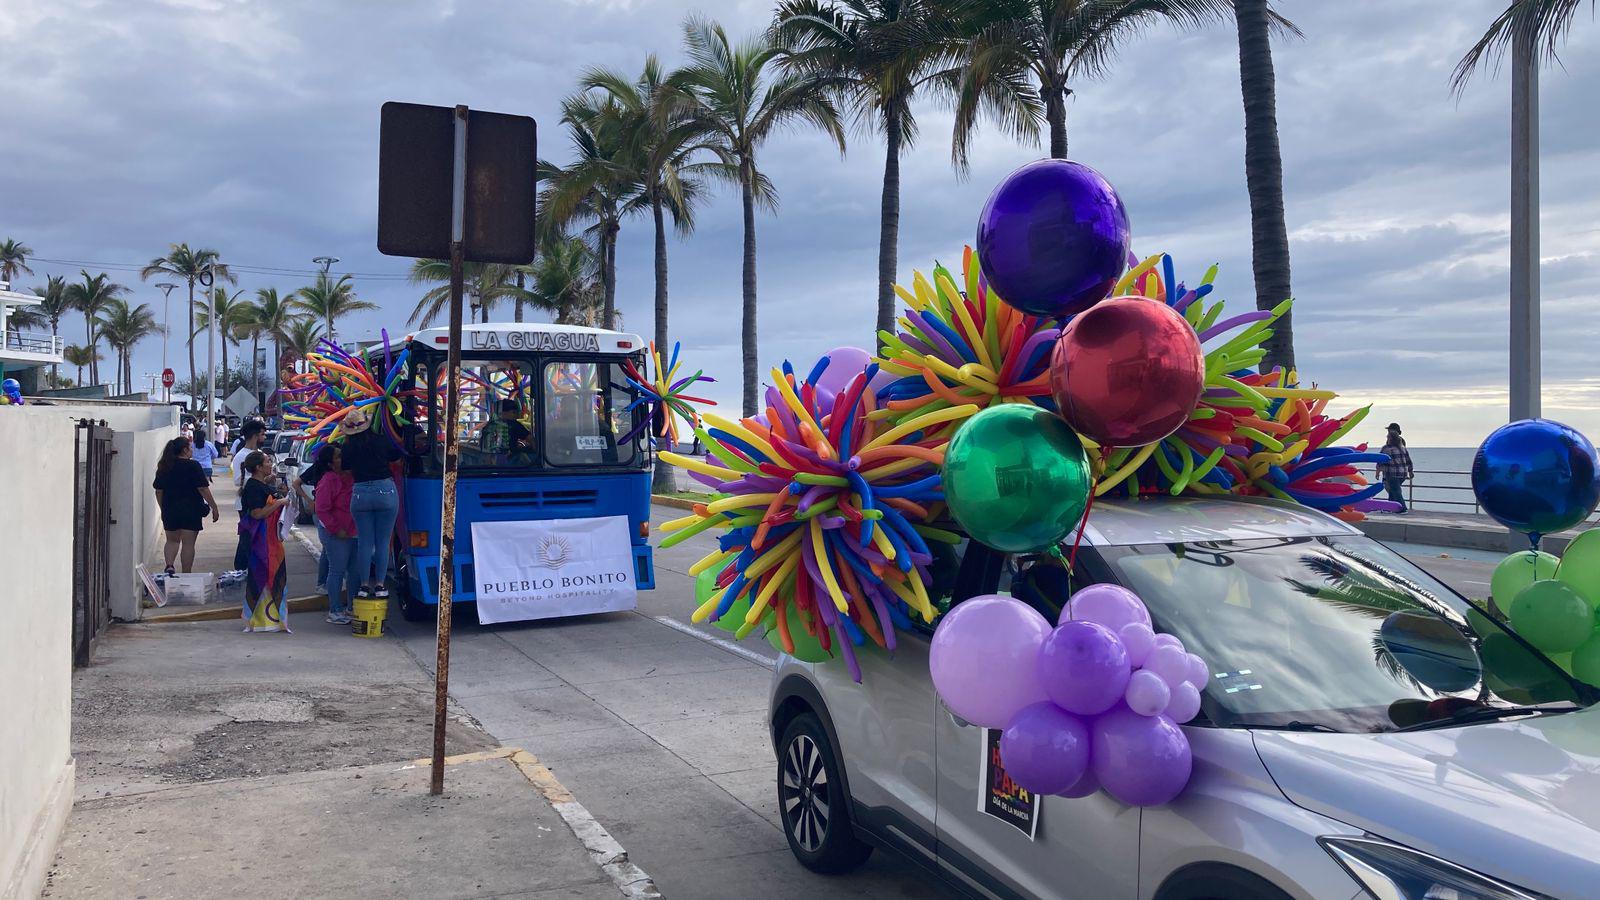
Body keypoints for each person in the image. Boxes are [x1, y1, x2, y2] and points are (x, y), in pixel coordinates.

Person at [340, 407, 401, 600]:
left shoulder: (348, 447)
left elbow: (345, 469)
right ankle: (381, 585)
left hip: (360, 493)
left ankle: (364, 586)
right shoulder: (380, 440)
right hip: (385, 490)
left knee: (364, 542)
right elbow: (396, 456)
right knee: (383, 542)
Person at [239, 450, 292, 633]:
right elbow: (257, 514)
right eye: (268, 461)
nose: (271, 464)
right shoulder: (253, 487)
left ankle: (274, 619)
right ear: (259, 467)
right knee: (262, 574)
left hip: (270, 537)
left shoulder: (260, 484)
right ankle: (261, 620)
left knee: (274, 574)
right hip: (260, 539)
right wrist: (278, 503)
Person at [152, 437, 220, 575]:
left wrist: (163, 508)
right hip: (191, 509)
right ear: (184, 450)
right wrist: (214, 506)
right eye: (190, 448)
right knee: (188, 544)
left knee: (172, 541)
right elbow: (203, 488)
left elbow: (158, 491)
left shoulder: (165, 466)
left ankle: (169, 566)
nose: (192, 450)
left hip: (170, 509)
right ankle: (186, 573)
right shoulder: (193, 466)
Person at [313, 444, 362, 625]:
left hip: (354, 531)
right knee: (337, 571)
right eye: (339, 456)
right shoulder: (328, 481)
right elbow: (321, 509)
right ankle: (335, 610)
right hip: (337, 534)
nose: (343, 458)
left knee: (355, 572)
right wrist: (336, 529)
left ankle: (351, 607)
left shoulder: (351, 477)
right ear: (330, 463)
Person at [293, 446, 332, 595]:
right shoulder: (318, 469)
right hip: (321, 511)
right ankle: (322, 583)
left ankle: (329, 582)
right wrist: (309, 500)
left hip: (328, 511)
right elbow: (296, 483)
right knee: (328, 549)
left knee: (332, 549)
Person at [231, 420, 269, 570]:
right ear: (254, 436)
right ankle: (242, 566)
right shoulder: (241, 456)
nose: (264, 437)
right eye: (262, 434)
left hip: (260, 501)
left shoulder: (260, 454)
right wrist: (259, 480)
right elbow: (238, 480)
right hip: (247, 503)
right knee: (248, 536)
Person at [1377, 422, 1413, 514]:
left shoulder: (1386, 448)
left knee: (1396, 491)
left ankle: (1403, 509)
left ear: (1390, 438)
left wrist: (1378, 471)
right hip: (1403, 473)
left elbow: (1379, 460)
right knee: (1393, 490)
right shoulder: (1402, 447)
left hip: (1392, 473)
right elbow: (1408, 460)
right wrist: (1410, 471)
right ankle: (1390, 507)